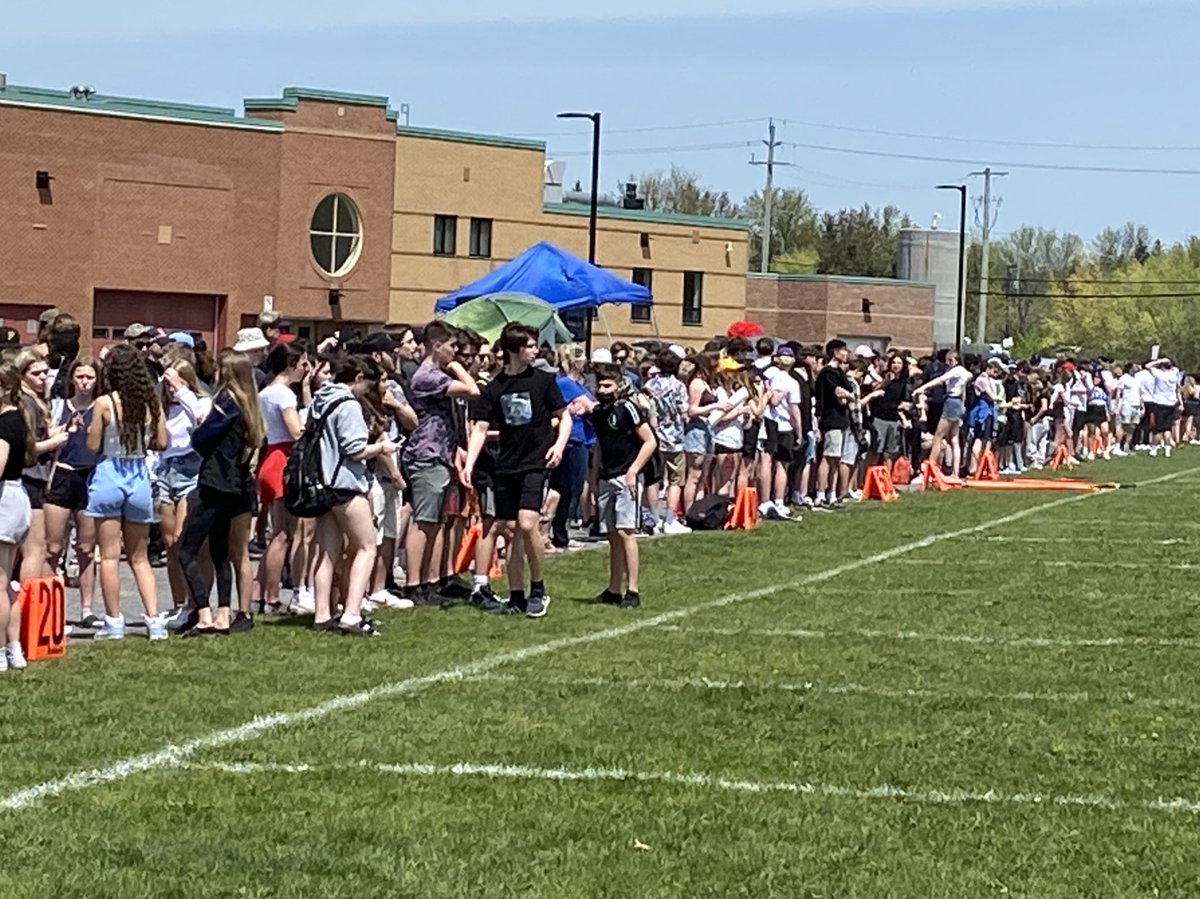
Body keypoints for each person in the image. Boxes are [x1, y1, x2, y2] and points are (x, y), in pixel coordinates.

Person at [462, 323, 571, 618]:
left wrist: (558, 446)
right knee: (511, 530)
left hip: (535, 462)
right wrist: (469, 464)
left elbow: (564, 416)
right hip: (505, 465)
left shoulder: (543, 381)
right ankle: (516, 595)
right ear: (514, 350)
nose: (536, 350)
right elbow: (480, 428)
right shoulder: (494, 387)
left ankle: (538, 588)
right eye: (530, 346)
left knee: (526, 523)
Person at [308, 356, 399, 635]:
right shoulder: (348, 404)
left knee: (327, 552)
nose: (368, 392)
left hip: (322, 483)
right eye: (367, 385)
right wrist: (382, 448)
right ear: (358, 378)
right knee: (367, 547)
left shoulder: (320, 399)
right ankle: (351, 613)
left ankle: (322, 615)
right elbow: (355, 450)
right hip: (345, 484)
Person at [177, 350, 265, 635]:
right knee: (220, 552)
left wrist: (199, 425)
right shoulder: (250, 407)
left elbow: (200, 440)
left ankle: (204, 613)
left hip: (215, 483)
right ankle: (224, 613)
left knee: (186, 551)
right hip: (236, 486)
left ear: (225, 373)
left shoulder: (227, 403)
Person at [85, 343, 168, 640]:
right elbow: (162, 442)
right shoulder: (150, 403)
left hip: (109, 472)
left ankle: (114, 621)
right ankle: (154, 621)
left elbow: (92, 445)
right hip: (138, 474)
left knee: (109, 557)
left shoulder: (104, 403)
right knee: (140, 557)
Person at [400, 321, 479, 604]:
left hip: (441, 454)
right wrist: (457, 367)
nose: (455, 352)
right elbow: (472, 390)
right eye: (452, 346)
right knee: (424, 521)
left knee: (436, 522)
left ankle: (429, 582)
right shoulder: (427, 376)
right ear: (437, 346)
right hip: (427, 454)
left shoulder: (437, 374)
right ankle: (414, 584)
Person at [591, 364, 657, 610]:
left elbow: (649, 441)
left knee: (625, 531)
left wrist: (633, 471)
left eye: (607, 385)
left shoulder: (628, 408)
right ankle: (613, 588)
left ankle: (633, 589)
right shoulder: (598, 412)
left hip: (625, 476)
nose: (602, 390)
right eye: (600, 385)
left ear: (618, 386)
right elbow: (600, 445)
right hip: (606, 476)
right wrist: (594, 476)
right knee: (611, 534)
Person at [44, 357, 100, 627]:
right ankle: (51, 610)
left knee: (86, 549)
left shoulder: (100, 408)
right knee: (53, 548)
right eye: (80, 377)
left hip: (90, 476)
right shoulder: (59, 407)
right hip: (62, 475)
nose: (85, 383)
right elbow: (45, 437)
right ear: (72, 379)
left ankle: (87, 609)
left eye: (89, 377)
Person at [255, 342, 308, 613]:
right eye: (303, 364)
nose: (306, 369)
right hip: (283, 459)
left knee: (277, 531)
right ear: (291, 365)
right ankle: (272, 596)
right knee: (283, 534)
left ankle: (260, 591)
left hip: (271, 455)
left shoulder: (265, 392)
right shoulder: (284, 394)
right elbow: (296, 431)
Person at [156, 359, 208, 615]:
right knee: (170, 544)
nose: (170, 389)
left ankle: (192, 602)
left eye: (174, 383)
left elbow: (200, 420)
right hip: (166, 469)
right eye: (167, 384)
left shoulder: (200, 402)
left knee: (182, 538)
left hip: (191, 468)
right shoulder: (164, 407)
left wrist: (182, 391)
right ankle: (178, 603)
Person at [0, 358, 33, 672]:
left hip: (5, 501)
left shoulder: (4, 424)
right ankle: (14, 649)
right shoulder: (17, 419)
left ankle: (1, 651)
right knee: (8, 583)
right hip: (16, 496)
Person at [643, 350, 690, 535]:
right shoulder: (679, 386)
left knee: (654, 479)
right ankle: (670, 519)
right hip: (675, 439)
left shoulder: (649, 385)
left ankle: (654, 519)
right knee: (675, 480)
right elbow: (684, 412)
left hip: (653, 437)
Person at [913, 349, 972, 479]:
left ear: (954, 360)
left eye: (949, 360)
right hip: (958, 403)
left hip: (951, 402)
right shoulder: (963, 372)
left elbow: (940, 380)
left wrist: (922, 388)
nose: (947, 363)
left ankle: (929, 470)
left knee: (937, 438)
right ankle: (955, 473)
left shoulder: (956, 371)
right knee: (954, 439)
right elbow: (967, 380)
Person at [813, 340, 855, 508]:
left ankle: (832, 493)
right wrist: (848, 396)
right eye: (843, 350)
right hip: (831, 419)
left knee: (836, 458)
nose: (846, 353)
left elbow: (848, 391)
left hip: (842, 419)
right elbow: (838, 393)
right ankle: (821, 494)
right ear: (834, 352)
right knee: (828, 456)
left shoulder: (839, 373)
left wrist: (848, 396)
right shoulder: (828, 373)